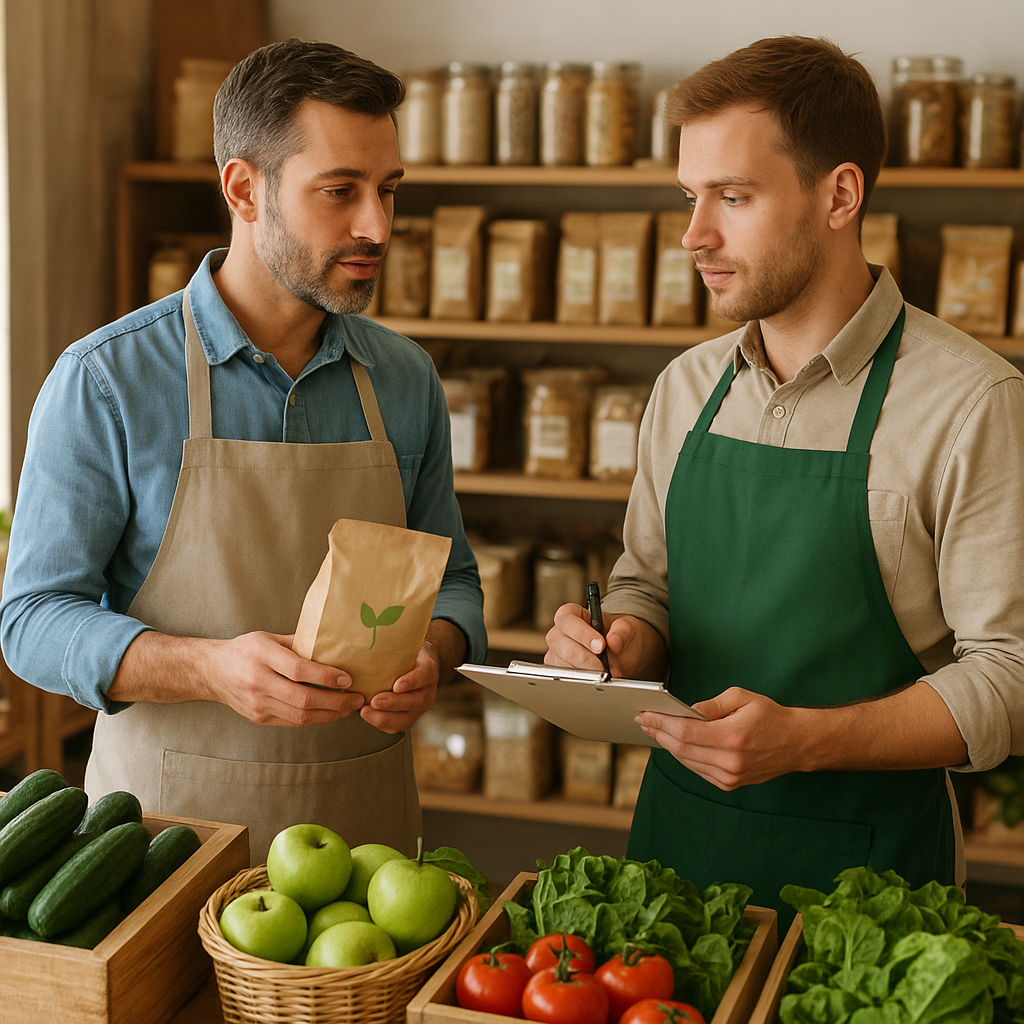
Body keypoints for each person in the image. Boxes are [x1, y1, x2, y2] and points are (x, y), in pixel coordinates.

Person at [544, 36, 1024, 922]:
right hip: (675, 865)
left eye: (734, 197)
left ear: (840, 194)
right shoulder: (684, 386)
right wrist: (614, 646)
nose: (695, 236)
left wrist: (805, 741)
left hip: (870, 891)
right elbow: (647, 586)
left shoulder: (972, 401)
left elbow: (1010, 677)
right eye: (691, 198)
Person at [0, 39, 486, 864]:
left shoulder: (405, 379)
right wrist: (208, 669)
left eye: (388, 190)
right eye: (340, 191)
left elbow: (457, 583)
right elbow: (32, 622)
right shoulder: (107, 380)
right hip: (161, 846)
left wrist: (435, 653)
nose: (377, 225)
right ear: (243, 189)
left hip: (364, 855)